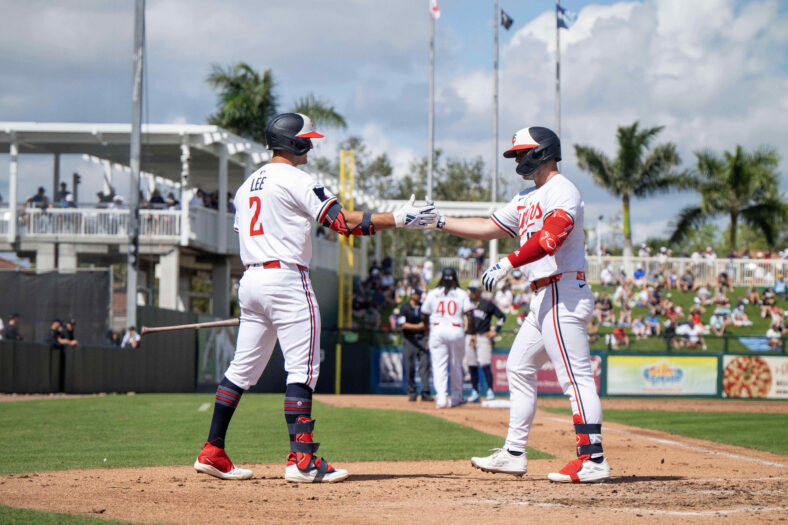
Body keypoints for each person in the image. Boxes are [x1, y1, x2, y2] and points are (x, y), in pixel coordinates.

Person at [193, 112, 437, 484]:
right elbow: (343, 223)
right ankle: (302, 461)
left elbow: (247, 231)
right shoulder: (297, 179)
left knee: (241, 371)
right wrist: (399, 218)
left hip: (252, 278)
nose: (311, 144)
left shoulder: (245, 186)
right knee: (302, 370)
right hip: (287, 278)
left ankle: (213, 449)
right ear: (293, 142)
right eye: (307, 139)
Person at [429, 126, 610, 482]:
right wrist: (439, 221)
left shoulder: (562, 189)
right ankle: (514, 453)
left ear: (542, 152)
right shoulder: (527, 196)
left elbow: (549, 239)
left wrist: (507, 262)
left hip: (562, 291)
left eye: (522, 153)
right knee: (518, 366)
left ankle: (593, 458)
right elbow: (487, 226)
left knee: (575, 378)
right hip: (544, 295)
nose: (518, 160)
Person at [421, 267, 475, 409]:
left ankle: (442, 398)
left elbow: (424, 314)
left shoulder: (433, 293)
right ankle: (456, 397)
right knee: (456, 365)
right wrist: (473, 333)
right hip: (456, 329)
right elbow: (470, 314)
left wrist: (427, 331)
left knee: (439, 366)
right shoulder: (461, 293)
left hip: (437, 329)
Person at [465, 279, 506, 403]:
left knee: (485, 364)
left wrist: (496, 331)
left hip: (483, 336)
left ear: (479, 291)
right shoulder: (467, 303)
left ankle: (490, 391)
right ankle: (475, 392)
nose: (471, 292)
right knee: (472, 365)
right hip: (470, 336)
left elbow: (502, 317)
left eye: (473, 290)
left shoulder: (487, 304)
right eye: (470, 290)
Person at [398, 289, 432, 402]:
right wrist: (418, 326)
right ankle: (412, 392)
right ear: (412, 295)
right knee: (410, 367)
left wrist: (428, 338)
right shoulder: (405, 307)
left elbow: (428, 324)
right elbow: (402, 325)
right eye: (415, 294)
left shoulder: (423, 307)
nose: (417, 296)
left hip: (422, 338)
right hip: (409, 339)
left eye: (418, 294)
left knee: (425, 365)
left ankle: (425, 392)